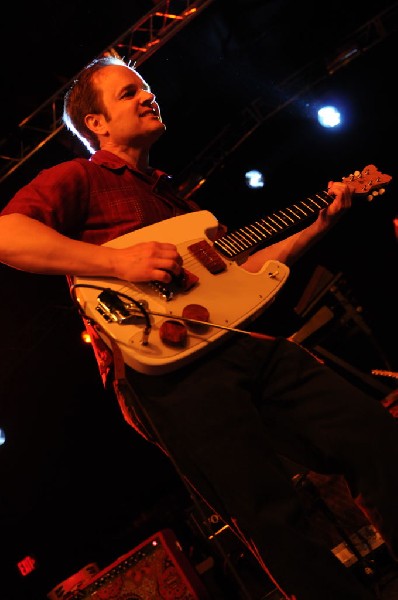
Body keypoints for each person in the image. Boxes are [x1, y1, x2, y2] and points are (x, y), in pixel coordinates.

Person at [0, 55, 397, 600]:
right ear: (97, 124)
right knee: (268, 513)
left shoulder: (175, 198)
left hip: (240, 344)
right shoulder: (78, 178)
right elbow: (7, 236)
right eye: (128, 93)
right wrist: (119, 263)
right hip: (169, 373)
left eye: (146, 88)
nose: (148, 96)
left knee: (374, 437)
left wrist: (321, 223)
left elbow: (245, 275)